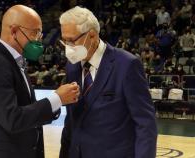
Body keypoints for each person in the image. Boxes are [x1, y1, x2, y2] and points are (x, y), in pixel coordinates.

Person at [0, 5, 80, 158]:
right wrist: (57, 99)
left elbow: (26, 109)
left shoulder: (14, 61)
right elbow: (12, 119)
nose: (39, 40)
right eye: (35, 33)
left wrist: (56, 101)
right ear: (14, 31)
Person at [59, 6, 157, 158]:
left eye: (71, 40)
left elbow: (145, 123)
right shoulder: (72, 66)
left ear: (91, 36)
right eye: (64, 41)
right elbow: (71, 119)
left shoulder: (127, 65)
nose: (67, 47)